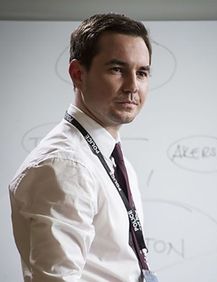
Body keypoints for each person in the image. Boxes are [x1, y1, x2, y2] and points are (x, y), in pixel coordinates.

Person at [9, 13, 157, 282]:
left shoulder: (107, 158)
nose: (133, 86)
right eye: (116, 69)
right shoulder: (65, 164)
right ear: (78, 73)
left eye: (142, 72)